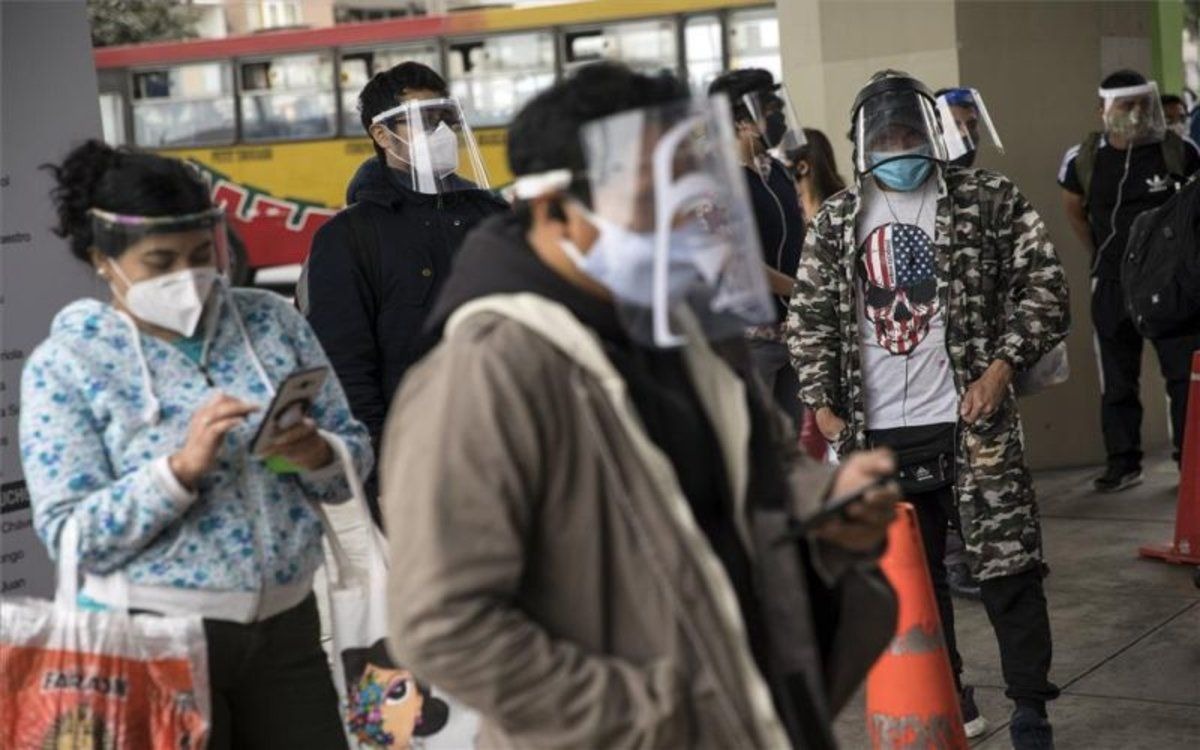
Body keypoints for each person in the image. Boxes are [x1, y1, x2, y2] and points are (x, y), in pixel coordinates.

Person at [379, 62, 900, 749]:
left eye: (691, 194)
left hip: (761, 712)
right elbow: (444, 625)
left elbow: (766, 460)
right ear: (555, 209)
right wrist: (652, 716)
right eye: (651, 199)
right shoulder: (484, 374)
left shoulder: (682, 318)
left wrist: (829, 502)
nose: (683, 224)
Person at [22, 141, 374, 749]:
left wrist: (318, 455)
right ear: (102, 260)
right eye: (160, 263)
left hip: (287, 629)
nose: (187, 279)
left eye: (200, 256)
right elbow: (69, 533)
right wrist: (177, 472)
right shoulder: (68, 364)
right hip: (154, 640)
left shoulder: (271, 322)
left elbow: (352, 456)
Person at [788, 70, 1068, 750]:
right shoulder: (837, 221)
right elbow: (809, 320)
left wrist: (1001, 368)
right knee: (909, 581)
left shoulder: (987, 199)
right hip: (877, 433)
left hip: (973, 426)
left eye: (909, 134)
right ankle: (949, 692)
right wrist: (824, 408)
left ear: (932, 135)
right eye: (886, 139)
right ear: (863, 146)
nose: (899, 148)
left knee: (1008, 569)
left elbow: (1046, 286)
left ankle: (1030, 709)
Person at [303, 62, 507, 524]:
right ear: (381, 135)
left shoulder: (491, 217)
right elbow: (345, 368)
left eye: (444, 118)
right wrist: (381, 472)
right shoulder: (350, 236)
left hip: (504, 443)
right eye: (421, 120)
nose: (440, 132)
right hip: (416, 462)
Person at [1059, 70, 1200, 492]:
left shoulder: (1179, 151)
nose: (1137, 113)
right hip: (1112, 282)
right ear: (1103, 109)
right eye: (1126, 105)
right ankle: (1123, 462)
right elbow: (1074, 210)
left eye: (1143, 103)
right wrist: (1102, 257)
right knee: (1117, 377)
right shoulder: (1082, 159)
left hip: (1172, 287)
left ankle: (1190, 462)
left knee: (1183, 376)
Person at [708, 68, 808, 425]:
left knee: (790, 438)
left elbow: (799, 233)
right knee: (754, 438)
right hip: (748, 339)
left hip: (789, 332)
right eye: (770, 111)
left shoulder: (776, 169)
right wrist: (800, 289)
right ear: (741, 122)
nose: (779, 117)